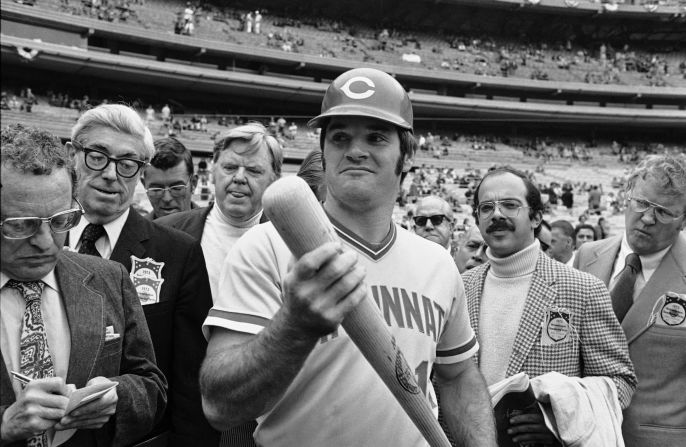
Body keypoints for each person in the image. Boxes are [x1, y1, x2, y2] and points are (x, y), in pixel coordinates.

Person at [199, 68, 496, 446]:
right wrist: (294, 326)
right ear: (323, 152)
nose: (356, 150)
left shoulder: (436, 262)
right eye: (340, 137)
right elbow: (220, 406)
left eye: (376, 137)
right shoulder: (265, 246)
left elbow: (458, 376)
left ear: (405, 156)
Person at [1, 124, 166, 446]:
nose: (46, 242)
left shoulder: (110, 279)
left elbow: (152, 387)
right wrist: (5, 425)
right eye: (22, 225)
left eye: (62, 220)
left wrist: (117, 397)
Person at [65, 104, 217, 446]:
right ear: (72, 156)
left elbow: (192, 381)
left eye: (127, 164)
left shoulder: (178, 253)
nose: (110, 174)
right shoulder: (37, 242)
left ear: (139, 173)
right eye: (97, 156)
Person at [464, 167, 636, 446]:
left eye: (510, 205)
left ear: (536, 217)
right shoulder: (460, 287)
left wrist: (559, 421)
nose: (496, 214)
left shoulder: (583, 289)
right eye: (486, 207)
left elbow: (620, 381)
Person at [574, 154, 686, 447]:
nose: (648, 218)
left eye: (663, 212)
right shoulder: (587, 257)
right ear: (627, 197)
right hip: (582, 435)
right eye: (642, 203)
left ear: (683, 219)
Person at [155, 122, 282, 300]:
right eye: (229, 168)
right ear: (213, 171)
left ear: (273, 180)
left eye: (253, 171)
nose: (239, 178)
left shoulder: (287, 243)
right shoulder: (164, 233)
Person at [141, 137, 198, 220]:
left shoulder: (213, 229)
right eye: (156, 189)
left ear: (193, 183)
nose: (167, 199)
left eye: (177, 188)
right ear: (144, 185)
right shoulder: (134, 232)